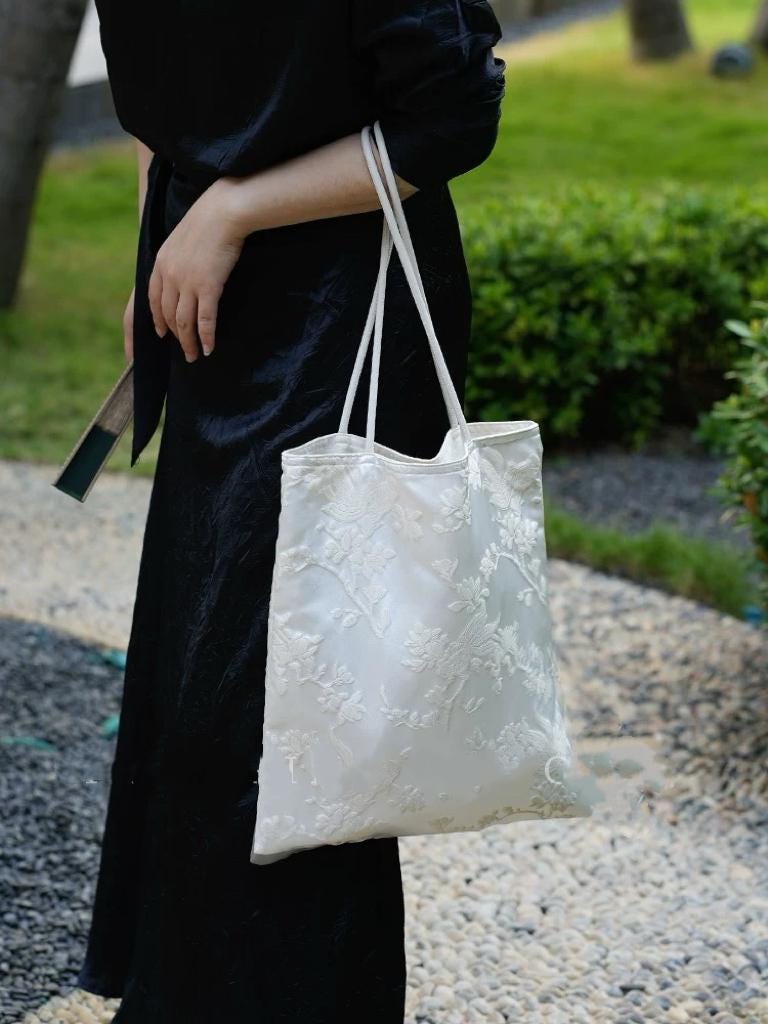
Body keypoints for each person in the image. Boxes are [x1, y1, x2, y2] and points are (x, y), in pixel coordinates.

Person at [75, 2, 506, 1021]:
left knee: (288, 711)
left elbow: (452, 111)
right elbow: (167, 95)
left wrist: (228, 212)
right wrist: (161, 243)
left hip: (343, 311)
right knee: (201, 684)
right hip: (211, 301)